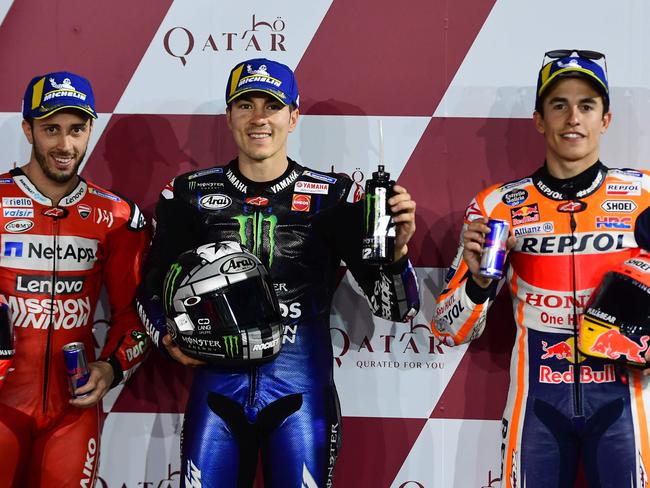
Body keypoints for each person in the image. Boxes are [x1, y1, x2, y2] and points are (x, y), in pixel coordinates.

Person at [136, 57, 420, 487]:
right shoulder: (188, 193)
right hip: (216, 391)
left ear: (293, 116)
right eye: (245, 105)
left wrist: (397, 252)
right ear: (229, 116)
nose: (258, 118)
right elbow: (150, 290)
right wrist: (166, 336)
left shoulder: (336, 196)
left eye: (271, 106)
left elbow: (397, 309)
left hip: (300, 395)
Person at [432, 50, 650, 488]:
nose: (574, 118)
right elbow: (445, 328)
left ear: (605, 120)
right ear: (539, 120)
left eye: (587, 106)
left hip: (624, 401)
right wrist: (477, 283)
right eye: (559, 105)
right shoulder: (496, 206)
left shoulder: (644, 195)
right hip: (537, 403)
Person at [0, 71, 150, 487]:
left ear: (89, 130)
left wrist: (111, 367)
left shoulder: (118, 216)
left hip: (72, 410)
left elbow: (135, 314)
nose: (65, 145)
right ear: (28, 129)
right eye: (51, 129)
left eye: (76, 129)